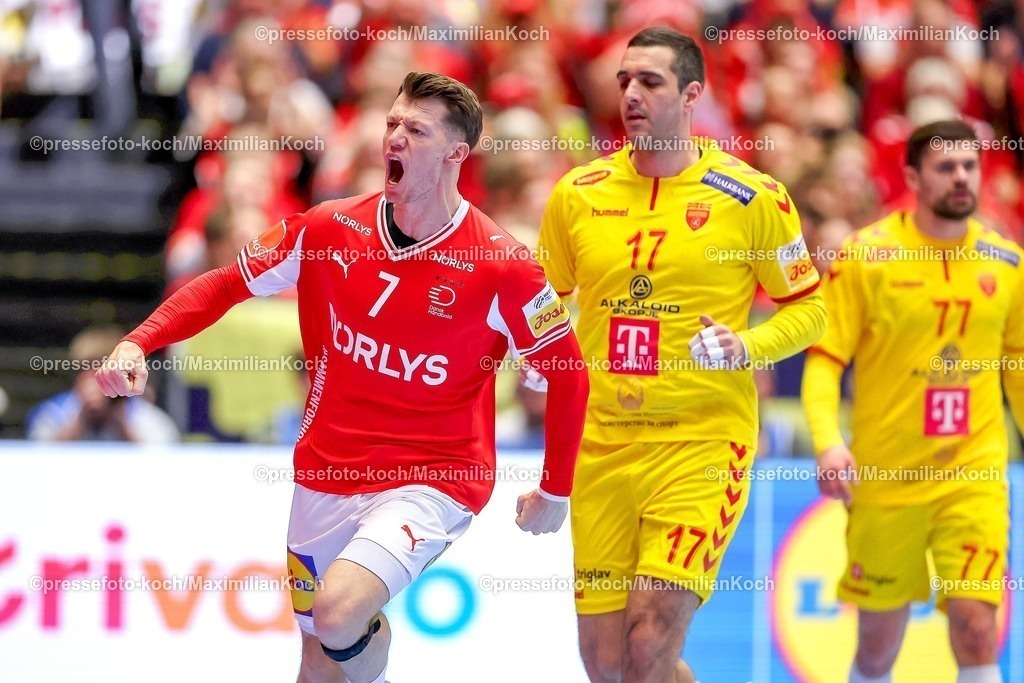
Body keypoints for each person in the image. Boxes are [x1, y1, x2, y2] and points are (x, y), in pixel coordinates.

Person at [96, 71, 589, 683]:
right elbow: (225, 285)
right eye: (391, 125)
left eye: (417, 129)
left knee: (334, 615)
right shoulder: (329, 229)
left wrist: (556, 489)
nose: (396, 139)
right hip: (325, 471)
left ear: (457, 154)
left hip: (433, 476)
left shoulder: (501, 265)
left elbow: (567, 374)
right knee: (316, 664)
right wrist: (138, 342)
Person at [536, 27, 826, 683]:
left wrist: (745, 346)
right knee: (609, 664)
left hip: (701, 441)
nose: (631, 94)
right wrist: (534, 352)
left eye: (650, 82)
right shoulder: (577, 194)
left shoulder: (751, 196)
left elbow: (811, 310)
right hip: (602, 445)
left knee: (649, 642)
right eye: (623, 81)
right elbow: (542, 302)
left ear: (693, 93)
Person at [802, 120, 1024, 683]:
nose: (961, 178)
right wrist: (828, 444)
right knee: (877, 647)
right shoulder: (866, 257)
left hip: (972, 474)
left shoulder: (1007, 262)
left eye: (970, 166)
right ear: (911, 177)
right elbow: (825, 361)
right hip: (885, 479)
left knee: (977, 625)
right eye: (945, 167)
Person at [28, 325, 179, 443]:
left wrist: (117, 419)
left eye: (100, 366)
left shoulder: (146, 416)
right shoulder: (54, 411)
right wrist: (82, 416)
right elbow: (41, 458)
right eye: (84, 367)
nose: (92, 376)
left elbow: (160, 461)